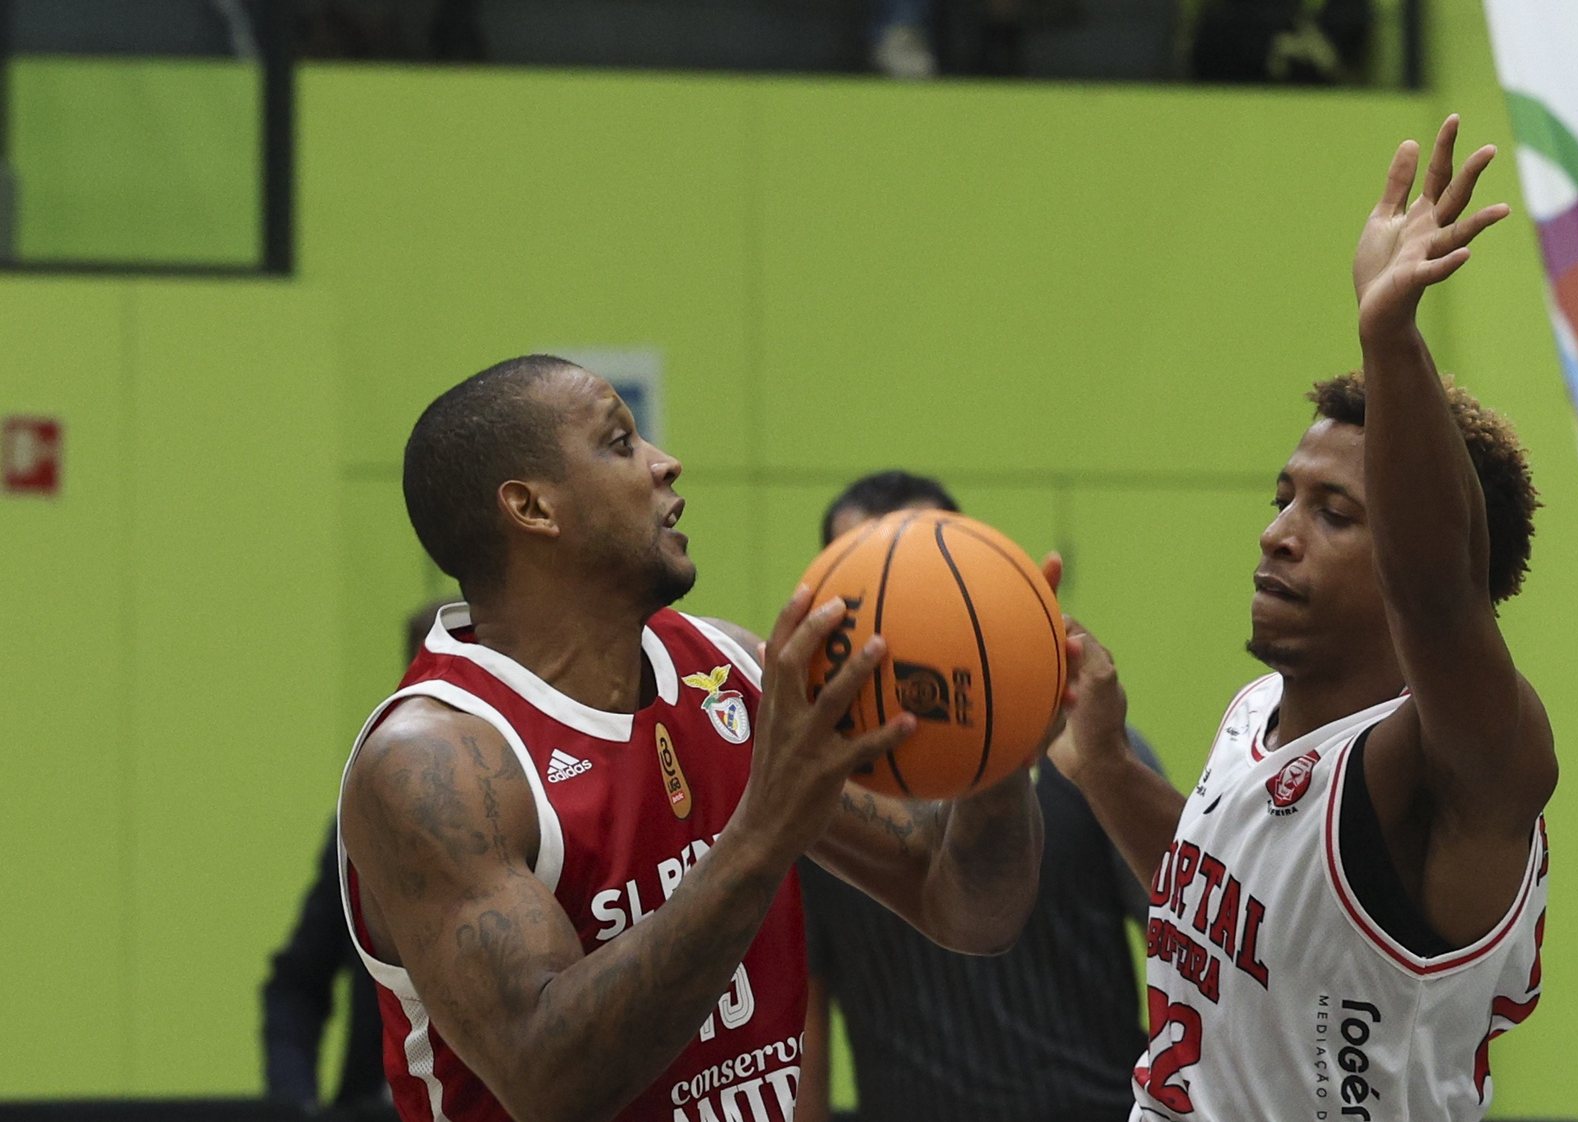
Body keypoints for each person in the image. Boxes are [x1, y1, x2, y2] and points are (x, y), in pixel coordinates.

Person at [336, 356, 1052, 1122]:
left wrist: (995, 741)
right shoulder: (431, 764)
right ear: (532, 508)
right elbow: (550, 1081)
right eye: (620, 443)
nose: (664, 463)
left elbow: (970, 910)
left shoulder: (732, 671)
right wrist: (763, 831)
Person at [1051, 116, 1555, 1119]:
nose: (1279, 532)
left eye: (1334, 514)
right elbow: (1238, 915)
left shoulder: (1465, 761)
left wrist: (1389, 334)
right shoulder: (1257, 713)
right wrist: (1105, 768)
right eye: (1283, 497)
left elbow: (1436, 595)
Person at [796, 470, 1164, 1122]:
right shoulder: (809, 791)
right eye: (866, 591)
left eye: (918, 586)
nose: (894, 624)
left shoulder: (1091, 750)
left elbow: (1195, 943)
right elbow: (803, 1015)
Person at [261, 602, 448, 1120]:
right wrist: (294, 1103)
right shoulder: (361, 828)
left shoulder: (549, 817)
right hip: (372, 1107)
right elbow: (296, 984)